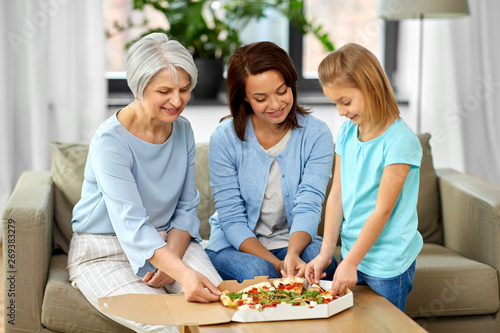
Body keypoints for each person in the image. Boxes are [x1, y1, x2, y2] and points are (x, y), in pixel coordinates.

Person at [67, 33, 222, 332]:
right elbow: (132, 226)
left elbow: (187, 206)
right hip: (104, 251)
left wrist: (173, 261)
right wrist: (183, 274)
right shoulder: (110, 142)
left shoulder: (183, 130)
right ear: (138, 89)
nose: (177, 101)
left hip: (169, 242)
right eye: (164, 90)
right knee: (163, 327)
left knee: (219, 317)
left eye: (184, 89)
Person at [205, 41, 338, 282]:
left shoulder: (317, 134)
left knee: (320, 262)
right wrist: (277, 265)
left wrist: (293, 254)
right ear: (244, 97)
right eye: (261, 98)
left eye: (281, 91)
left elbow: (309, 204)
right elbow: (231, 218)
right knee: (260, 274)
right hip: (236, 247)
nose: (276, 105)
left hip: (293, 241)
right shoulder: (224, 138)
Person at [304, 43, 423, 312]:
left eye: (345, 101)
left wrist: (350, 263)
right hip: (352, 254)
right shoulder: (347, 133)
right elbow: (336, 196)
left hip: (388, 263)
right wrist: (326, 254)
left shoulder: (400, 141)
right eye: (335, 103)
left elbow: (383, 210)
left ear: (371, 87)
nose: (340, 111)